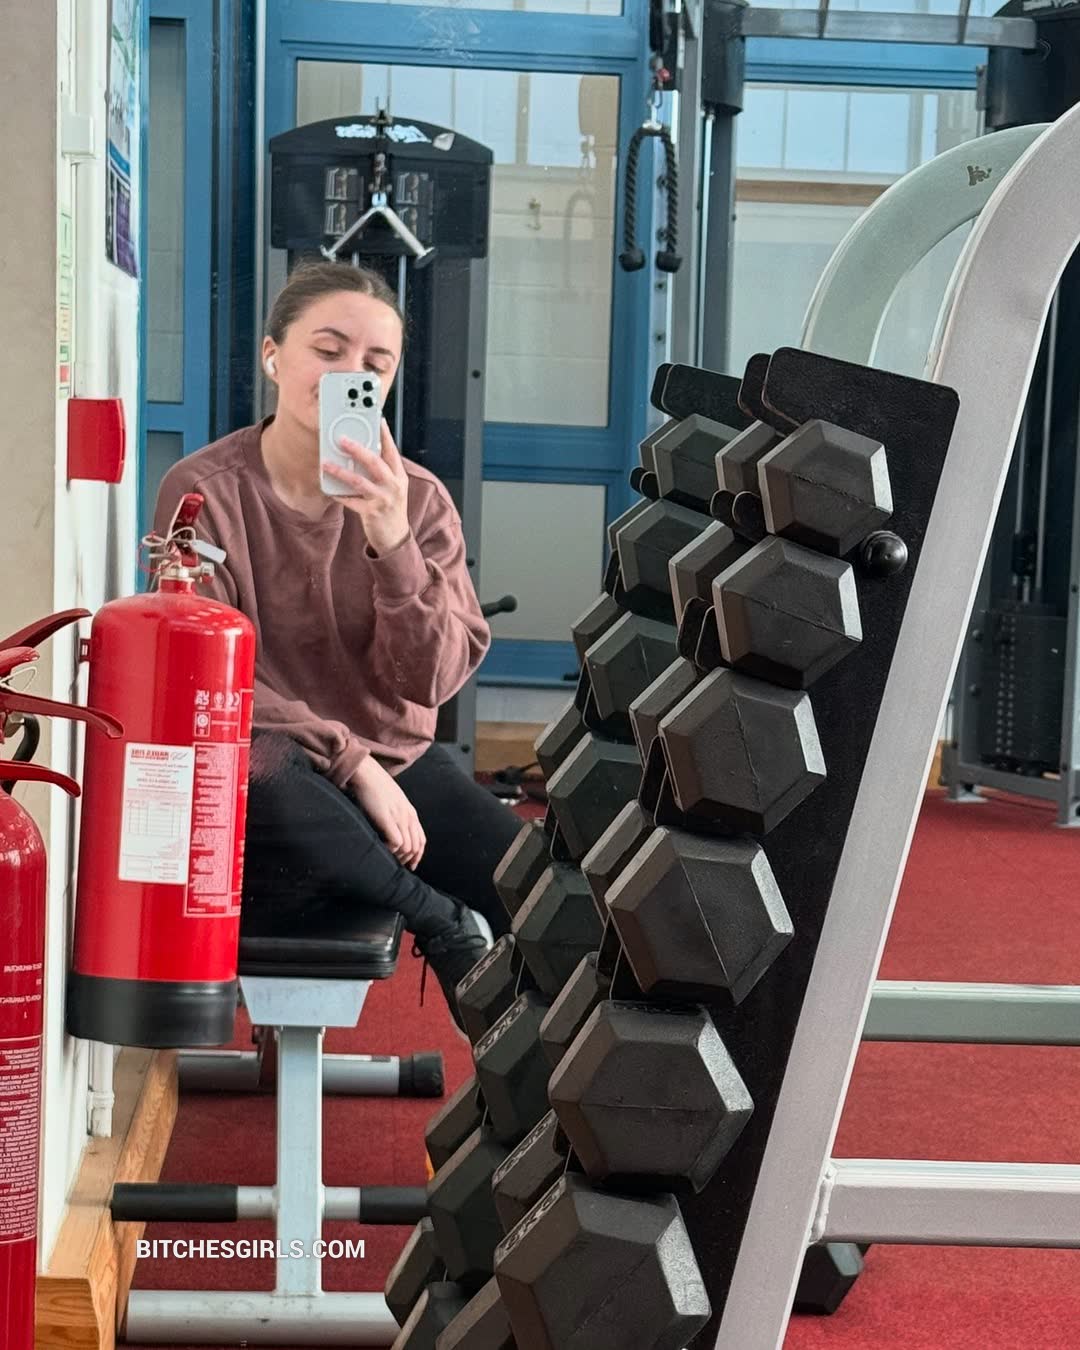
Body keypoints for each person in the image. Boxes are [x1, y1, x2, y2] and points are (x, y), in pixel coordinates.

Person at [152, 259, 520, 1032]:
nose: (351, 373)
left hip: (397, 765)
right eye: (328, 350)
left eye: (375, 364)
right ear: (272, 356)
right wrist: (350, 763)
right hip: (281, 775)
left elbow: (431, 680)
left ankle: (535, 1082)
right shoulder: (203, 492)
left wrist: (391, 540)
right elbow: (207, 673)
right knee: (262, 768)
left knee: (547, 897)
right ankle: (437, 918)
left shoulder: (420, 501)